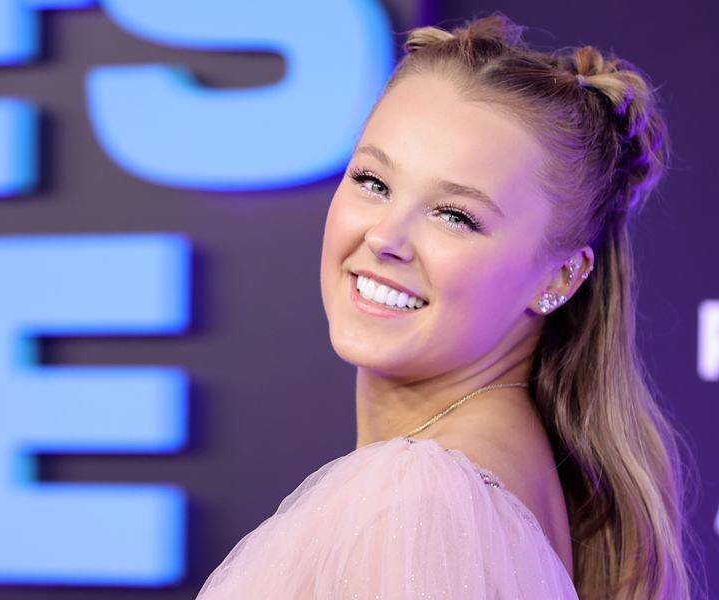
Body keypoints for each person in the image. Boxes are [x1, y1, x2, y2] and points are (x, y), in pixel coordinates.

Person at [197, 14, 690, 600]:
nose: (386, 238)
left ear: (562, 275)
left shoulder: (420, 501)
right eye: (373, 181)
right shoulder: (480, 476)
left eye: (455, 215)